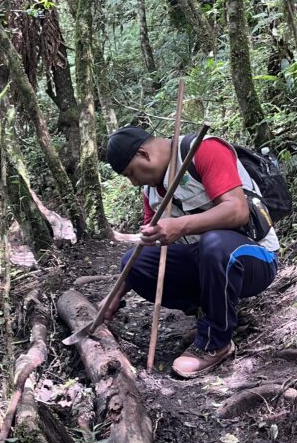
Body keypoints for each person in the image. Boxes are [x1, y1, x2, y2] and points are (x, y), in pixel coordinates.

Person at [103, 125, 279, 378]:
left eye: (131, 173)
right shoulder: (151, 191)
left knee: (214, 244)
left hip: (255, 257)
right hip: (207, 261)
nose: (134, 182)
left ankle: (216, 342)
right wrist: (115, 295)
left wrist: (180, 226)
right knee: (135, 262)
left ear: (144, 154)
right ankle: (209, 311)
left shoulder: (203, 150)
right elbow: (151, 242)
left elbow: (237, 210)